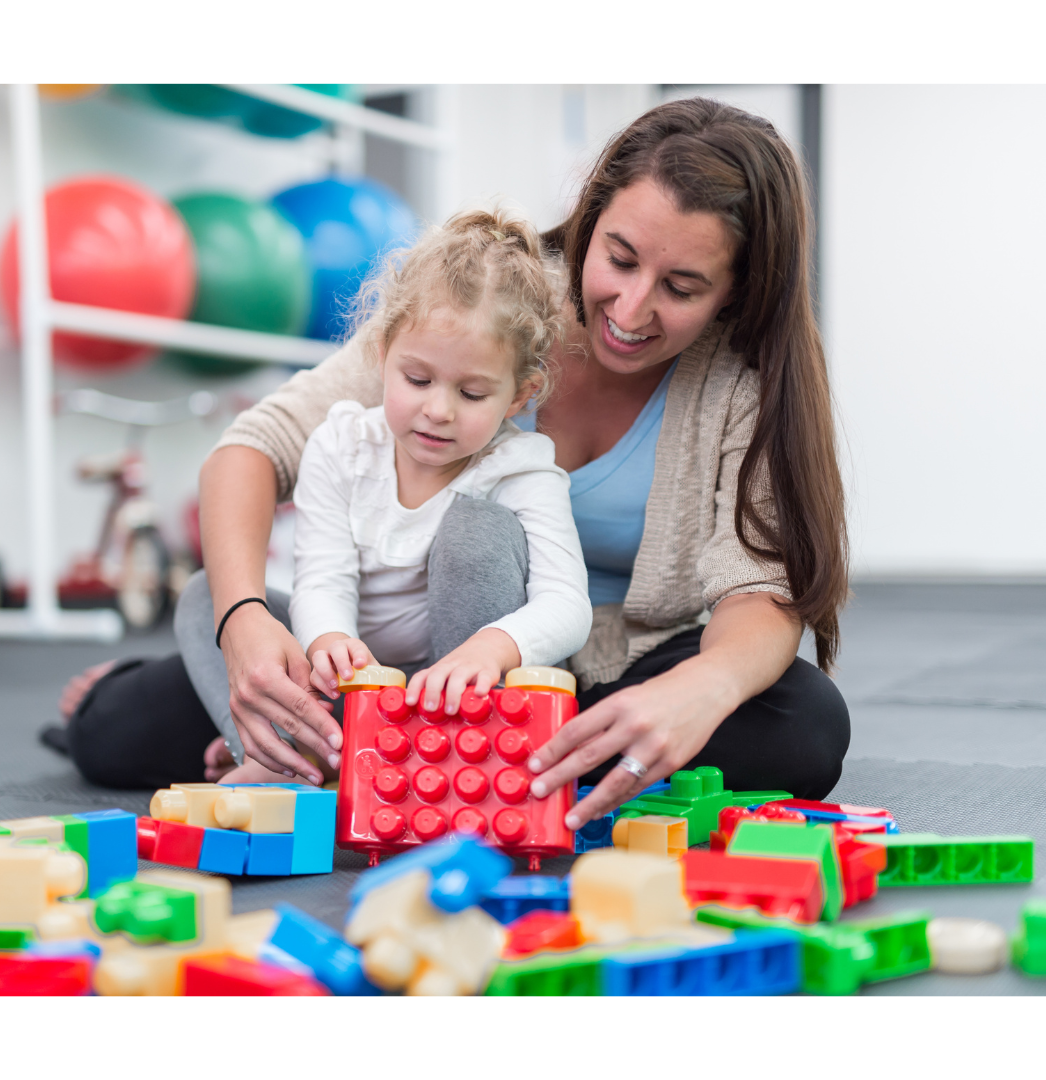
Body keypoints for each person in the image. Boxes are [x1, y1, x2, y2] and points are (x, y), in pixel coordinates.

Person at [64, 97, 849, 828]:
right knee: (114, 735)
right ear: (591, 215)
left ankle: (412, 759)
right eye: (619, 257)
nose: (633, 308)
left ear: (735, 294)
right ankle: (370, 746)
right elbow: (253, 450)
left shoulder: (739, 383)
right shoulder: (481, 306)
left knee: (805, 728)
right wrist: (243, 626)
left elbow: (760, 592)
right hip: (389, 648)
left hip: (594, 668)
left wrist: (695, 692)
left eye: (681, 286)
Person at [218, 208, 591, 784]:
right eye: (417, 380)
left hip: (470, 688)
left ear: (521, 395)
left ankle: (446, 757)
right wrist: (330, 641)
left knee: (478, 533)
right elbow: (322, 578)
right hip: (361, 688)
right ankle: (293, 750)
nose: (437, 410)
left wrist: (490, 650)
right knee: (211, 601)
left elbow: (567, 606)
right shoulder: (341, 443)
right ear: (383, 352)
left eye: (471, 393)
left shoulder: (521, 467)